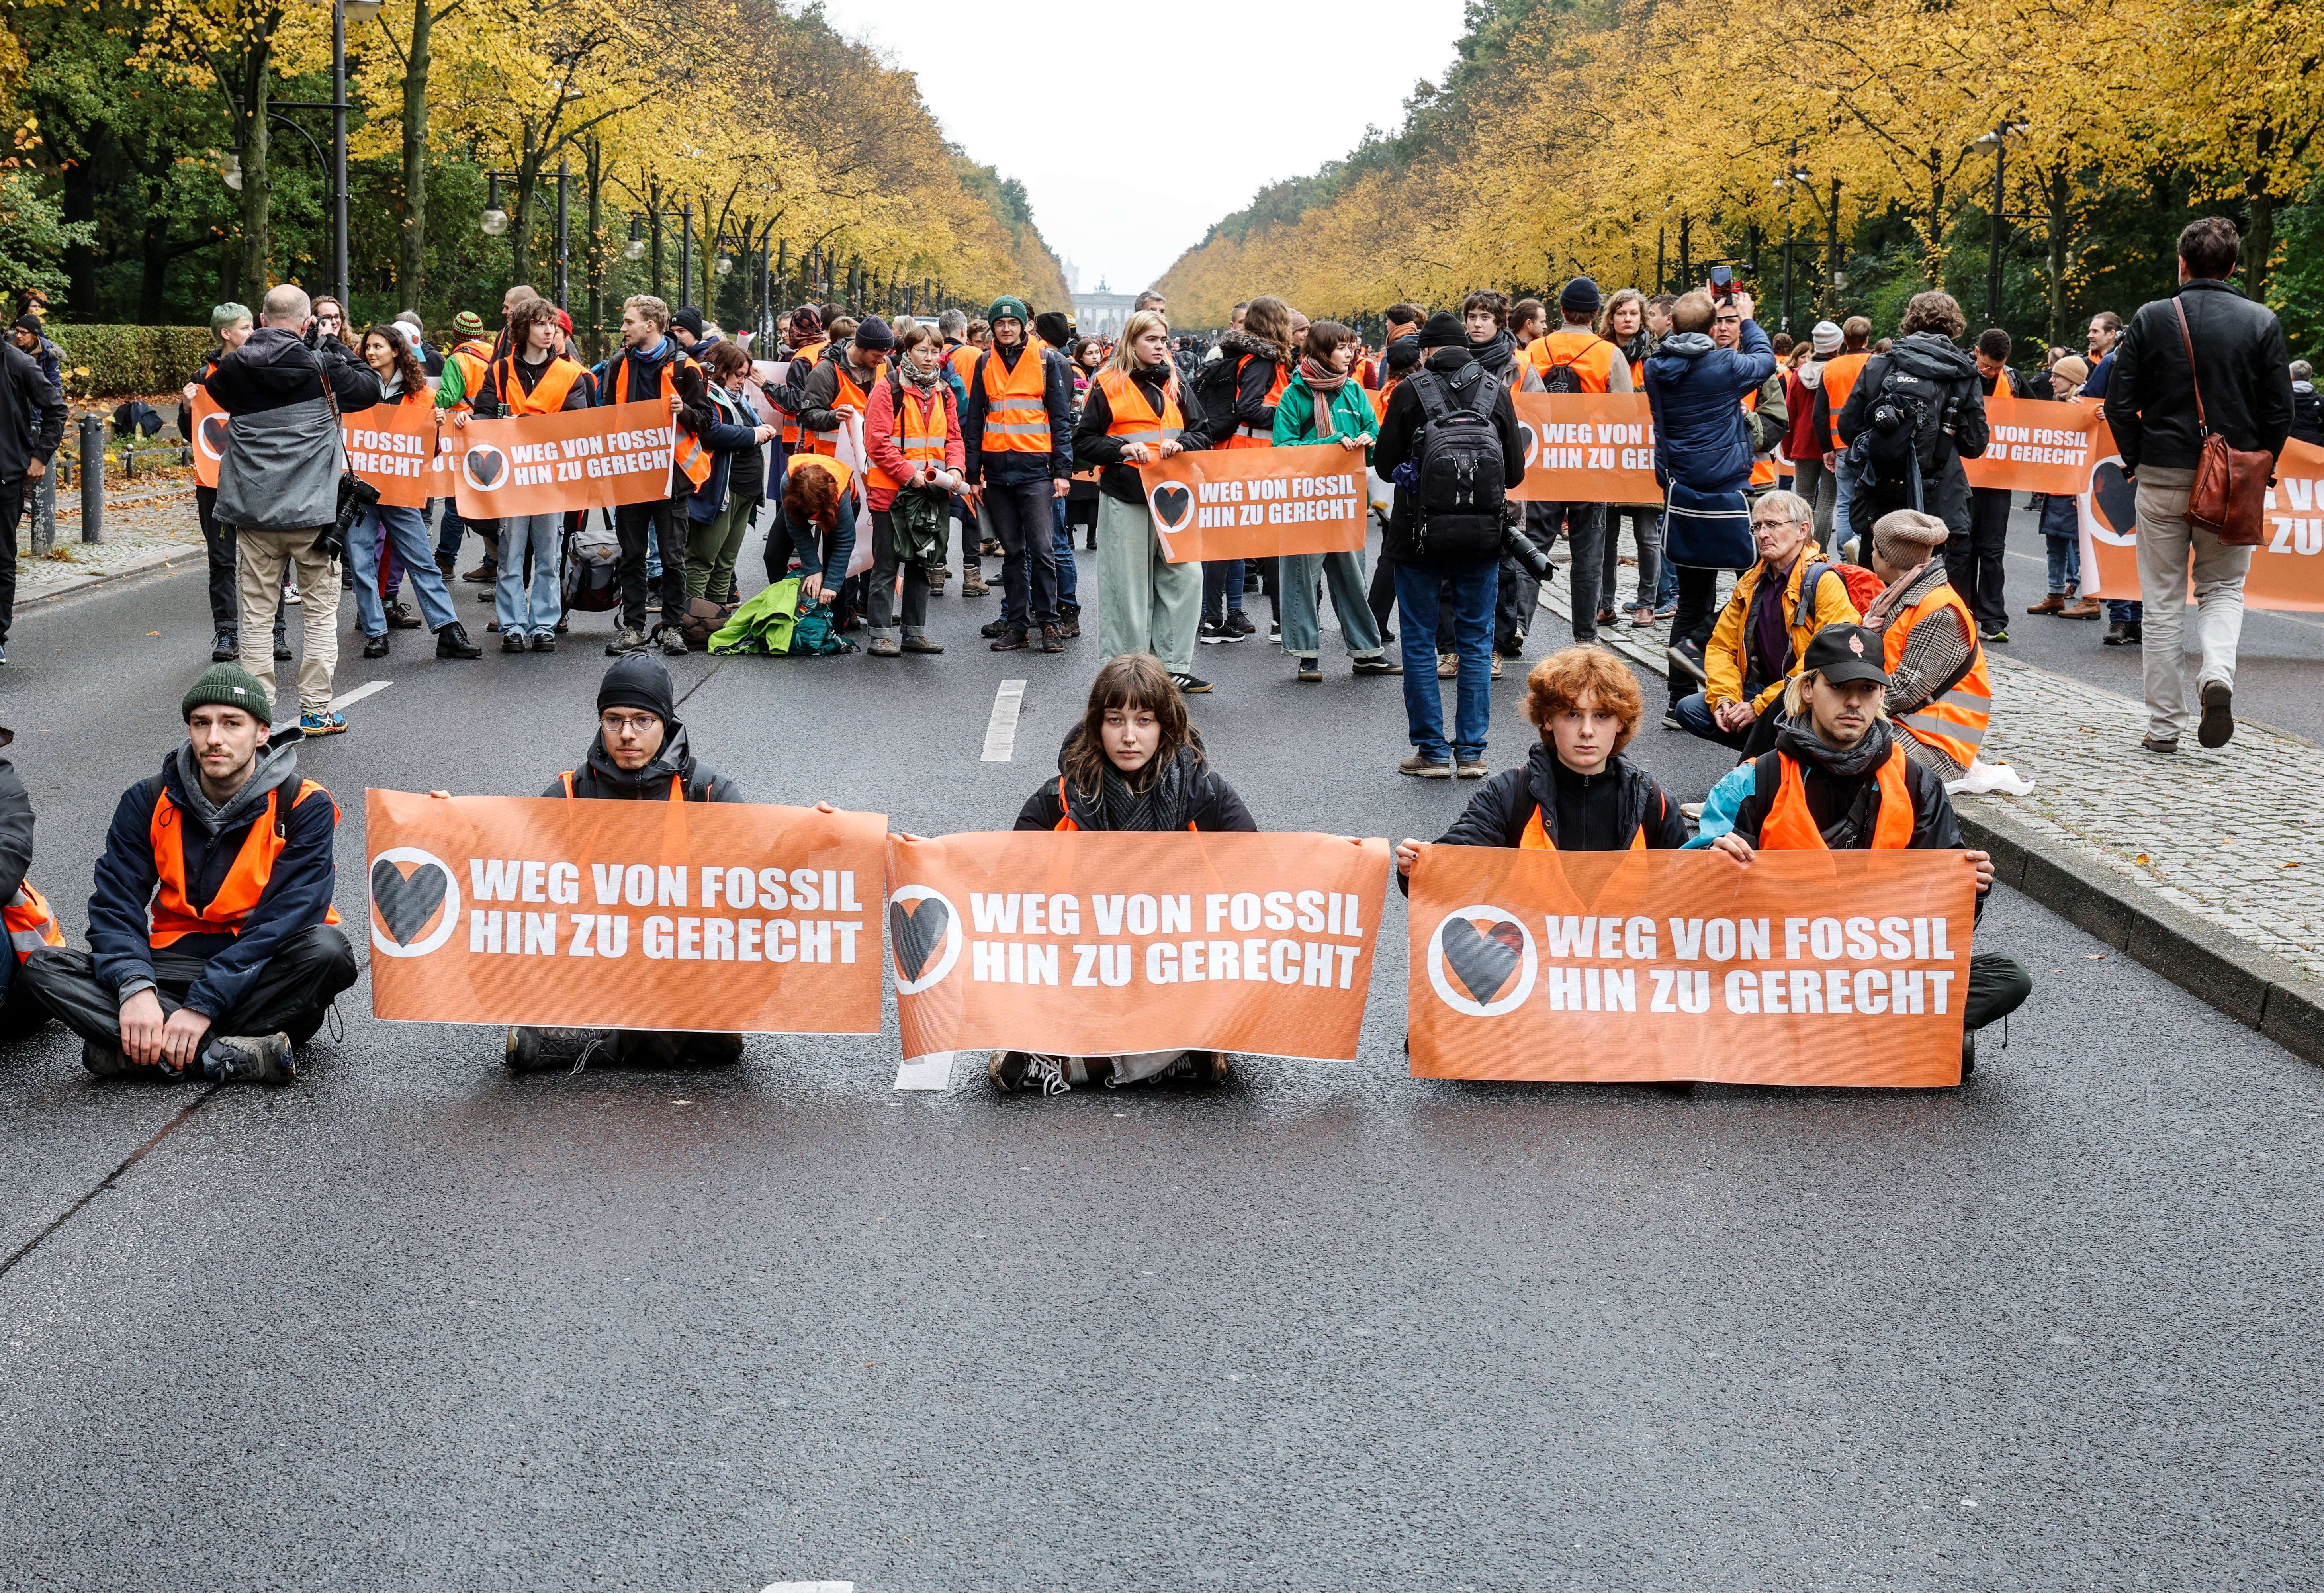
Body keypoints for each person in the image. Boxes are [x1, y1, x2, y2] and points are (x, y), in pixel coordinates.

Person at [1690, 623, 2032, 1075]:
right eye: (1839, 687)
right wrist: (1708, 863)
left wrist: (1971, 888)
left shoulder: (1917, 782)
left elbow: (1945, 929)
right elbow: (1689, 907)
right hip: (1775, 975)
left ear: (1879, 698)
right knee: (1685, 982)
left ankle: (1810, 1042)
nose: (1853, 702)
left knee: (2008, 976)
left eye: (1867, 689)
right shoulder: (1754, 780)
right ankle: (1900, 1039)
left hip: (1878, 975)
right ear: (1808, 689)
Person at [23, 665, 357, 1083]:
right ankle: (228, 1055)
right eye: (201, 723)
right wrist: (135, 988)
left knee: (328, 951)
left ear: (261, 733)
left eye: (231, 723)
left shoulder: (304, 804)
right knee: (43, 967)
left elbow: (286, 919)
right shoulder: (147, 799)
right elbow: (116, 903)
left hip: (261, 974)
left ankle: (142, 1051)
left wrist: (203, 1006)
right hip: (173, 967)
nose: (214, 738)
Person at [994, 653, 1252, 1096]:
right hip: (1085, 971)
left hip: (1173, 968)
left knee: (1240, 988)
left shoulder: (1205, 792)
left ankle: (1076, 1063)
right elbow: (1007, 896)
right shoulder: (1058, 799)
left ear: (1165, 726)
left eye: (1144, 721)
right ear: (1097, 725)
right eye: (1115, 720)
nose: (1129, 737)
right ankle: (1164, 1060)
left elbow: (1259, 884)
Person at [505, 654, 750, 1074]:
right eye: (613, 720)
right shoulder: (572, 792)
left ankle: (594, 1040)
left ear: (666, 722)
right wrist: (454, 830)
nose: (627, 735)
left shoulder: (707, 792)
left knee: (720, 1042)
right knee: (699, 1045)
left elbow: (761, 879)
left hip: (677, 966)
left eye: (642, 720)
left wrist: (814, 841)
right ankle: (631, 1033)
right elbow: (510, 879)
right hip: (591, 964)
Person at [2105, 215, 2295, 753]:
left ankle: (2163, 729)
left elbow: (2120, 404)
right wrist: (2262, 465)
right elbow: (2280, 410)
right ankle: (2218, 675)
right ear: (2234, 266)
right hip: (2234, 478)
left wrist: (2138, 459)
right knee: (2224, 589)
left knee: (2162, 601)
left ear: (2182, 264)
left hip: (2162, 472)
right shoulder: (2261, 321)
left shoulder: (2152, 318)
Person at [204, 283, 381, 737]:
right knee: (321, 614)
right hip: (315, 516)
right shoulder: (321, 365)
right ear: (307, 323)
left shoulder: (232, 369)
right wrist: (333, 347)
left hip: (256, 513)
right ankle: (317, 711)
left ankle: (257, 715)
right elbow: (372, 389)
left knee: (258, 616)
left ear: (261, 320)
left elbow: (219, 394)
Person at [1394, 647, 1688, 890]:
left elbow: (1690, 892)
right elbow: (1452, 868)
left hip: (1622, 959)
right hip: (1528, 958)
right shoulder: (1510, 795)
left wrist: (1723, 865)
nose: (1587, 731)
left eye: (1601, 716)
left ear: (1621, 723)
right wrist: (1417, 867)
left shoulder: (1652, 802)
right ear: (1547, 720)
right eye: (1572, 715)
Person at [1374, 311, 1527, 778]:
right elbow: (1516, 474)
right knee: (1477, 641)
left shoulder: (1407, 391)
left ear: (1426, 351)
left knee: (1420, 641)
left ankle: (1432, 753)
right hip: (1482, 538)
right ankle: (1473, 753)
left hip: (1418, 535)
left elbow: (1383, 466)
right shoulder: (1494, 391)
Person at [1074, 309, 1214, 694]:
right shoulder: (1107, 384)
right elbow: (1084, 442)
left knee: (1186, 579)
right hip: (1127, 497)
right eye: (1151, 340)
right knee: (1128, 585)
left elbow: (1203, 433)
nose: (1160, 347)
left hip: (1174, 498)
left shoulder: (1176, 383)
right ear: (1131, 342)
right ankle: (1125, 669)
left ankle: (1172, 667)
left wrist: (1182, 443)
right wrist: (1121, 449)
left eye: (1163, 340)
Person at [1645, 285, 1778, 681]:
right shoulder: (1726, 366)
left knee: (1692, 600)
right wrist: (1748, 318)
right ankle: (1718, 658)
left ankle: (1676, 698)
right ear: (1713, 324)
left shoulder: (1655, 368)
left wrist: (1697, 307)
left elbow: (1681, 347)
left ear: (1670, 323)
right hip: (1727, 489)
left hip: (1681, 486)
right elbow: (1765, 361)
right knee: (1756, 583)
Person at [1671, 488, 1859, 754]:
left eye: (1772, 525)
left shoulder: (1823, 582)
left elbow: (1826, 660)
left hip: (1810, 694)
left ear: (1802, 531)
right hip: (1768, 690)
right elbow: (1722, 647)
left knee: (1779, 715)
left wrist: (1759, 706)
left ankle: (1779, 759)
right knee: (1690, 710)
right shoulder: (1751, 582)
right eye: (1757, 527)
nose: (1762, 534)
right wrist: (1725, 698)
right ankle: (1777, 755)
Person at [456, 297, 595, 652]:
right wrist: (470, 421)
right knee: (511, 553)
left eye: (553, 325)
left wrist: (523, 423)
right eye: (541, 324)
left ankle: (544, 625)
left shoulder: (570, 374)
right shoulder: (500, 370)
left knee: (549, 555)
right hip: (511, 478)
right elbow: (487, 413)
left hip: (550, 478)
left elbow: (573, 425)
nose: (550, 331)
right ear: (523, 329)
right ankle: (513, 626)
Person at [1271, 319, 1397, 681]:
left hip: (1345, 500)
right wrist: (1331, 443)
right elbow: (1283, 449)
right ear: (1321, 352)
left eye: (1351, 346)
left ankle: (1366, 652)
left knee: (1352, 578)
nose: (1350, 353)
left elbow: (1374, 435)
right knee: (1302, 580)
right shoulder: (1294, 395)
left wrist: (1368, 443)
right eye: (1342, 347)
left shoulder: (1355, 391)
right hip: (1304, 502)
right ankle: (1307, 655)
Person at [347, 325, 481, 663]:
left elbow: (428, 453)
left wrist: (436, 431)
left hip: (402, 491)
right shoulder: (355, 391)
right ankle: (376, 633)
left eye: (378, 346)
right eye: (368, 347)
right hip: (361, 492)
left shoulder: (423, 396)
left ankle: (448, 630)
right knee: (362, 562)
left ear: (396, 351)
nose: (371, 352)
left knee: (422, 561)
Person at [1836, 291, 1988, 570]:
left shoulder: (1882, 363)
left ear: (1910, 320)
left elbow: (1847, 428)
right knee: (1930, 584)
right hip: (1939, 497)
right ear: (1954, 325)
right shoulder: (1963, 372)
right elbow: (1974, 444)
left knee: (1877, 581)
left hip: (1882, 491)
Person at [962, 296, 1074, 654]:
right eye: (1000, 324)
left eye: (1013, 323)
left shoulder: (1046, 361)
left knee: (1042, 551)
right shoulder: (983, 363)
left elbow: (1060, 419)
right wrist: (973, 474)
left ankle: (1050, 624)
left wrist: (1063, 471)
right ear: (993, 328)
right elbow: (976, 421)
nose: (1007, 329)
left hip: (1036, 472)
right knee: (1013, 553)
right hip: (996, 473)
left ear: (1026, 325)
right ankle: (1017, 626)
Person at [1524, 276, 1632, 647]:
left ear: (1562, 311)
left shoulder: (1537, 349)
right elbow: (1626, 414)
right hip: (1591, 464)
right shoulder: (1609, 354)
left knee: (1533, 546)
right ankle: (1586, 636)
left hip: (1545, 463)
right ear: (1596, 314)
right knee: (1589, 552)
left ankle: (1516, 627)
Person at [601, 295, 710, 657]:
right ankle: (632, 627)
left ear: (650, 325)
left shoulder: (686, 368)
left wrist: (687, 410)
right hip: (631, 474)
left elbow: (708, 420)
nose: (623, 328)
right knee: (632, 554)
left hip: (672, 477)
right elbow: (604, 417)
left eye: (629, 322)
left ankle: (672, 628)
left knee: (672, 556)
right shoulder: (619, 364)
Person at [1856, 508, 1990, 781]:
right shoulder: (1907, 596)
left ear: (1890, 559)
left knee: (1830, 743)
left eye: (1874, 549)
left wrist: (1845, 703)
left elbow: (1905, 691)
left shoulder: (1939, 610)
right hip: (1904, 726)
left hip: (1936, 747)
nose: (1871, 555)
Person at [1197, 295, 1297, 644]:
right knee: (1265, 540)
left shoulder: (1248, 358)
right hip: (1253, 453)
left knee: (1228, 541)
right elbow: (1250, 408)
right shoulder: (1264, 362)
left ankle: (1214, 620)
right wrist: (1291, 419)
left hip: (1238, 452)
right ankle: (1279, 621)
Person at [862, 321, 963, 656]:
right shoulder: (887, 389)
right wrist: (909, 474)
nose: (930, 358)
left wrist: (955, 468)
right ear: (908, 352)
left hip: (930, 493)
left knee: (923, 561)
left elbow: (953, 438)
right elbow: (877, 444)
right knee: (887, 564)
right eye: (923, 351)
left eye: (936, 351)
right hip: (891, 493)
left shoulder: (944, 391)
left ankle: (914, 632)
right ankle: (880, 632)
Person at [679, 342, 777, 614]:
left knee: (725, 561)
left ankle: (715, 619)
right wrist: (752, 435)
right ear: (722, 370)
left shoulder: (734, 396)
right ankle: (694, 619)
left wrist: (758, 430)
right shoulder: (707, 394)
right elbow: (709, 431)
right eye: (739, 375)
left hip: (743, 490)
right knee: (703, 558)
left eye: (745, 375)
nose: (742, 381)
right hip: (721, 490)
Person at [1956, 327, 2032, 641]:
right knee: (1961, 547)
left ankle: (1993, 619)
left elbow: (2044, 419)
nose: (1991, 373)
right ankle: (1961, 613)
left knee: (1992, 549)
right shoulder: (1959, 374)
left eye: (1998, 368)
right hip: (1962, 478)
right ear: (1976, 352)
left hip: (1999, 478)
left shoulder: (2013, 381)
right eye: (1987, 367)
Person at [1, 309, 66, 667]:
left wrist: (41, 456)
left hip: (6, 478)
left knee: (1, 559)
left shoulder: (18, 363)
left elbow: (56, 408)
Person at [1603, 288, 1665, 627]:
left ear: (1642, 319)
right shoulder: (1601, 352)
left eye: (1634, 314)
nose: (1628, 319)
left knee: (1647, 536)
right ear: (1611, 317)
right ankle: (1605, 603)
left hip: (1644, 454)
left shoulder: (1655, 355)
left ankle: (1647, 604)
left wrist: (1626, 396)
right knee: (1606, 537)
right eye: (1622, 313)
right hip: (1609, 455)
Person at [2025, 355, 2101, 620]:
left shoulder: (2082, 407)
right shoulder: (2058, 405)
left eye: (2057, 376)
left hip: (2076, 488)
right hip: (2057, 485)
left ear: (2073, 380)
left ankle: (2091, 598)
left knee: (2081, 546)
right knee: (2055, 543)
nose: (2051, 379)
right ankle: (2056, 595)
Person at [1808, 315, 1873, 553]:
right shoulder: (1876, 364)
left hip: (1841, 445)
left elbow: (1819, 415)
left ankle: (1846, 559)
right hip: (1871, 444)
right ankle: (1864, 549)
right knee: (1871, 501)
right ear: (1868, 338)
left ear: (1844, 340)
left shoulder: (1831, 368)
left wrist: (1827, 448)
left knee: (1844, 503)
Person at [1784, 321, 1842, 546]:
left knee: (1803, 502)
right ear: (1837, 346)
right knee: (1827, 504)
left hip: (1803, 444)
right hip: (1833, 444)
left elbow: (1790, 413)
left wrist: (1788, 448)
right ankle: (1819, 554)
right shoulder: (1838, 373)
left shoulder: (1799, 374)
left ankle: (1799, 551)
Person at [2291, 360, 2323, 446]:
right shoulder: (2320, 399)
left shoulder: (2283, 398)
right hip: (2314, 443)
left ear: (2292, 377)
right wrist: (2316, 430)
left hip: (2288, 444)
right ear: (2310, 376)